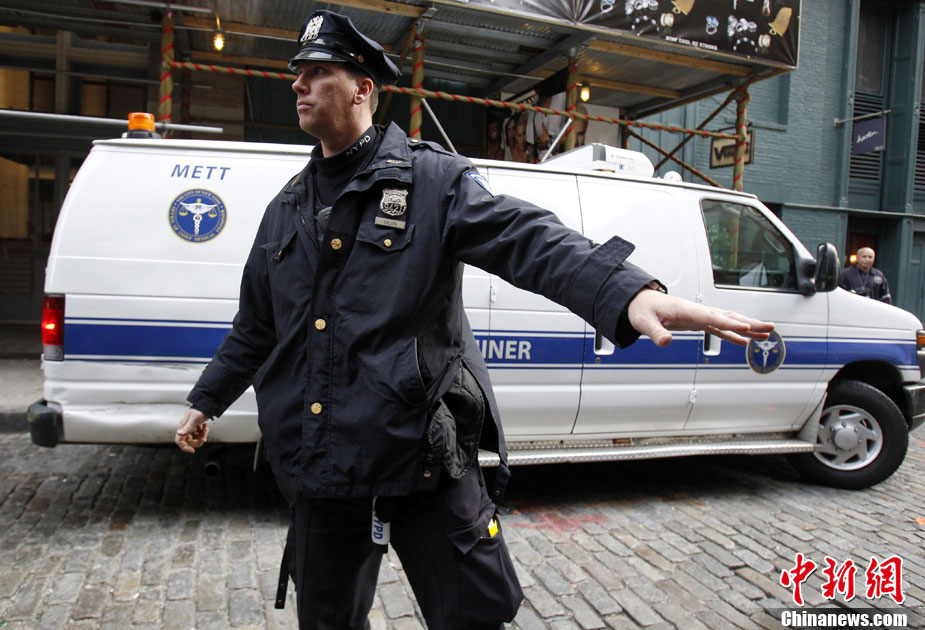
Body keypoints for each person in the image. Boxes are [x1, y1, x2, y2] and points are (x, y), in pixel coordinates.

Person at [174, 10, 774, 630]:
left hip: (420, 454)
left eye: (318, 72)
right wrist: (206, 400)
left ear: (362, 89)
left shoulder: (432, 181)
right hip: (323, 464)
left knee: (472, 616)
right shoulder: (286, 209)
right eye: (298, 73)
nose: (298, 84)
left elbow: (525, 238)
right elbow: (257, 326)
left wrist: (624, 293)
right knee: (326, 621)